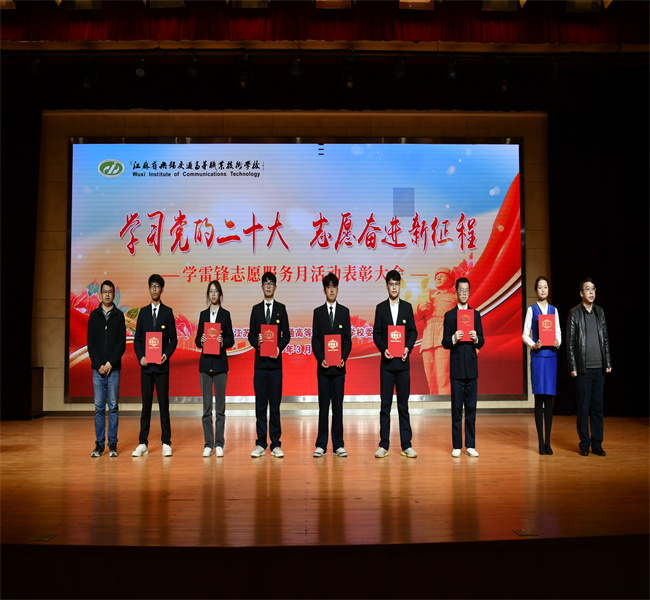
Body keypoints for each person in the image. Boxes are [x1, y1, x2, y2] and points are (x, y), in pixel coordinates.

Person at [372, 270, 418, 458]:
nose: (394, 287)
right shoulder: (380, 308)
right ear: (387, 286)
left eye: (397, 284)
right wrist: (384, 349)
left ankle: (406, 444)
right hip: (387, 365)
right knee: (385, 406)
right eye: (391, 284)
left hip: (403, 365)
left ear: (400, 286)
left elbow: (413, 332)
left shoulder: (407, 307)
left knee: (403, 406)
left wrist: (407, 348)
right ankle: (384, 444)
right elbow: (376, 333)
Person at [132, 274, 178, 457]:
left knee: (164, 406)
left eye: (157, 286)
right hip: (146, 367)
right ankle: (142, 443)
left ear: (162, 289)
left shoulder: (168, 312)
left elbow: (173, 339)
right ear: (149, 288)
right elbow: (137, 340)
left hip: (161, 367)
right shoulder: (143, 312)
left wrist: (166, 354)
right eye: (152, 286)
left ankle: (166, 442)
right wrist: (141, 357)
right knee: (146, 407)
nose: (154, 289)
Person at [567, 277, 612, 456]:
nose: (591, 292)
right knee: (583, 408)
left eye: (593, 289)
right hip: (583, 369)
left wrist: (608, 362)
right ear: (581, 293)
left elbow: (605, 338)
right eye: (588, 289)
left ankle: (597, 443)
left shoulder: (600, 312)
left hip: (599, 368)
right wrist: (572, 366)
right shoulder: (574, 313)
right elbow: (570, 342)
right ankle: (584, 443)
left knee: (598, 408)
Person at [248, 272, 291, 458]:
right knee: (260, 406)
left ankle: (275, 444)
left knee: (274, 406)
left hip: (275, 366)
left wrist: (279, 348)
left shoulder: (281, 308)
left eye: (271, 283)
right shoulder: (256, 309)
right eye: (265, 283)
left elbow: (287, 335)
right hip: (260, 366)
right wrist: (257, 343)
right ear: (261, 287)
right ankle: (260, 443)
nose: (268, 286)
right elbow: (250, 335)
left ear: (275, 287)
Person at [442, 277, 485, 458]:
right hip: (457, 369)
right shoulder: (449, 316)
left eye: (467, 290)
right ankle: (457, 445)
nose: (464, 293)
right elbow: (444, 342)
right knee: (457, 409)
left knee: (471, 409)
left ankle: (471, 445)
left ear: (469, 291)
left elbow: (482, 340)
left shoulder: (475, 315)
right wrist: (454, 338)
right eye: (461, 290)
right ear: (456, 292)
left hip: (472, 369)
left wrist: (476, 338)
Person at [310, 272, 352, 458]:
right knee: (323, 408)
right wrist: (321, 358)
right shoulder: (318, 312)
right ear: (324, 290)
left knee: (338, 408)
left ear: (338, 289)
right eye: (328, 287)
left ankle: (338, 445)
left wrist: (343, 357)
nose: (332, 290)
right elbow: (315, 340)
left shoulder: (344, 312)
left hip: (339, 369)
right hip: (324, 369)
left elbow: (347, 340)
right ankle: (321, 444)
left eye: (334, 286)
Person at [195, 280, 235, 458]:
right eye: (210, 291)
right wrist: (201, 340)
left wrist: (222, 342)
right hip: (205, 366)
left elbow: (231, 339)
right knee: (206, 409)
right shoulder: (203, 315)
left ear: (220, 294)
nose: (213, 294)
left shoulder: (225, 315)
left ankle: (219, 443)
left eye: (216, 291)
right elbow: (197, 340)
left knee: (220, 408)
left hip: (220, 365)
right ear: (208, 294)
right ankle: (208, 444)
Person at [522, 276, 561, 455]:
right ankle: (540, 442)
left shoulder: (554, 310)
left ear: (548, 290)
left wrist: (557, 342)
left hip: (551, 356)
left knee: (549, 401)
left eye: (545, 287)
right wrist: (533, 344)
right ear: (536, 290)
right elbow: (525, 334)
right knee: (539, 399)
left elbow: (558, 333)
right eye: (540, 287)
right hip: (538, 357)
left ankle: (548, 442)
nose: (543, 290)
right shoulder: (531, 310)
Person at [87, 280, 126, 458]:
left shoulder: (119, 316)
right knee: (98, 408)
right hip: (98, 370)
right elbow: (90, 343)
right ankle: (99, 445)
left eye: (110, 291)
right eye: (105, 291)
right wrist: (99, 365)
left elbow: (121, 344)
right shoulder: (94, 315)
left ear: (113, 294)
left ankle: (113, 444)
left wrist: (110, 363)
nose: (107, 294)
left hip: (114, 369)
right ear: (100, 294)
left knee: (114, 407)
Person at [415, 267, 457, 395]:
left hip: (445, 338)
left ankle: (445, 403)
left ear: (450, 280)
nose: (438, 278)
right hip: (428, 339)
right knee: (431, 378)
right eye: (437, 277)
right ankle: (435, 403)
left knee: (444, 376)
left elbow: (465, 319)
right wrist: (419, 309)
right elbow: (410, 318)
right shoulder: (426, 296)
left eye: (442, 276)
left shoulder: (455, 298)